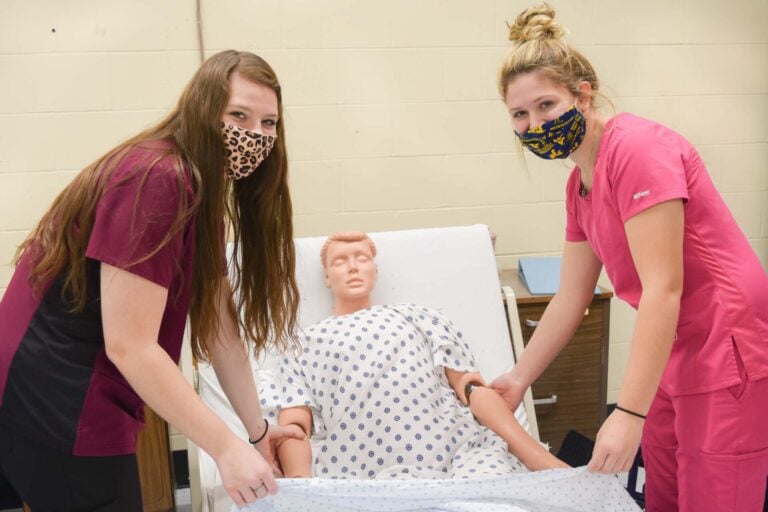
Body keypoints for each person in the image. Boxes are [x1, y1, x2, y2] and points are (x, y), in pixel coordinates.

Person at [490, 4, 768, 511]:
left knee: (714, 492)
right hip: (673, 344)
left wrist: (628, 412)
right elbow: (571, 297)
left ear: (583, 94)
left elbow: (664, 287)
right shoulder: (580, 186)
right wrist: (517, 379)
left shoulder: (637, 150)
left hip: (724, 339)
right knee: (664, 486)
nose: (535, 124)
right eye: (520, 114)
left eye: (547, 105)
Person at [0, 50, 304, 510]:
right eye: (238, 115)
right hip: (55, 393)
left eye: (268, 124)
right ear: (202, 109)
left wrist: (257, 432)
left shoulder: (201, 190)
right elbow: (131, 345)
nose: (254, 136)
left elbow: (222, 330)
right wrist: (224, 448)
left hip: (65, 384)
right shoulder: (157, 179)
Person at [275, 231, 568, 479]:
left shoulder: (419, 316)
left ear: (375, 271)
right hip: (357, 476)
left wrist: (535, 456)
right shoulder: (303, 342)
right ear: (327, 277)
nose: (353, 267)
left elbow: (471, 386)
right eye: (340, 262)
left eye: (362, 258)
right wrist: (302, 489)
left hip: (455, 459)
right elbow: (295, 423)